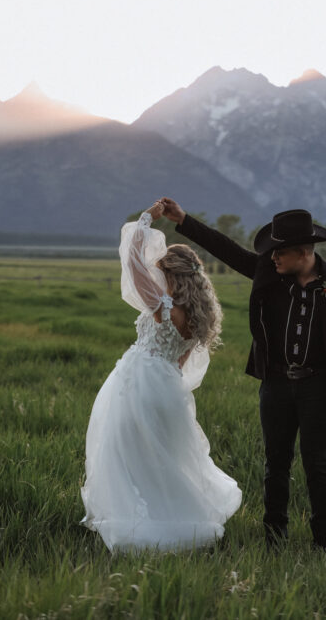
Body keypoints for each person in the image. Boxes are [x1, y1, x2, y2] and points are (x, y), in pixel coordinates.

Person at [159, 200, 326, 550]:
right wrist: (184, 221)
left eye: (278, 252)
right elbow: (228, 250)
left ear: (302, 252)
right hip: (276, 384)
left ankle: (325, 542)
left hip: (319, 386)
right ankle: (274, 539)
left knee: (316, 465)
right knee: (276, 464)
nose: (271, 258)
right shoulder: (269, 274)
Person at [80, 201, 242, 552]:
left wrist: (147, 219)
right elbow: (181, 363)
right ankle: (178, 515)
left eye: (161, 271)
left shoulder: (162, 307)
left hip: (139, 384)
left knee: (125, 453)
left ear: (170, 274)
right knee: (163, 458)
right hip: (167, 388)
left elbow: (132, 261)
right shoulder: (198, 318)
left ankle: (143, 525)